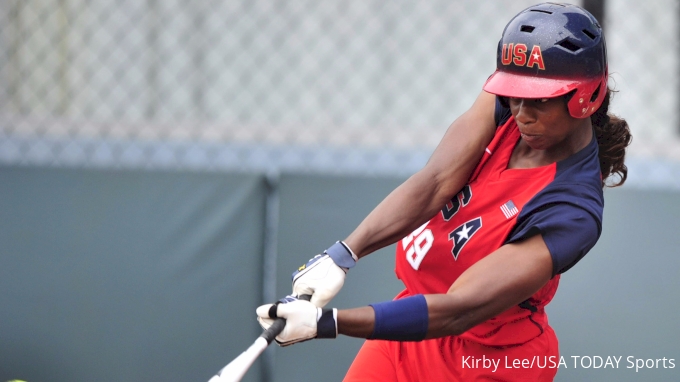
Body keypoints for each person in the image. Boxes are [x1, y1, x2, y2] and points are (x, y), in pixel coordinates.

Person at [257, 3, 632, 381]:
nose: (521, 112)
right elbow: (436, 180)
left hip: (492, 362)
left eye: (539, 100)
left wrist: (327, 322)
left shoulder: (572, 210)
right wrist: (342, 254)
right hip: (408, 328)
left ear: (587, 96)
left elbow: (458, 309)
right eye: (515, 94)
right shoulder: (507, 109)